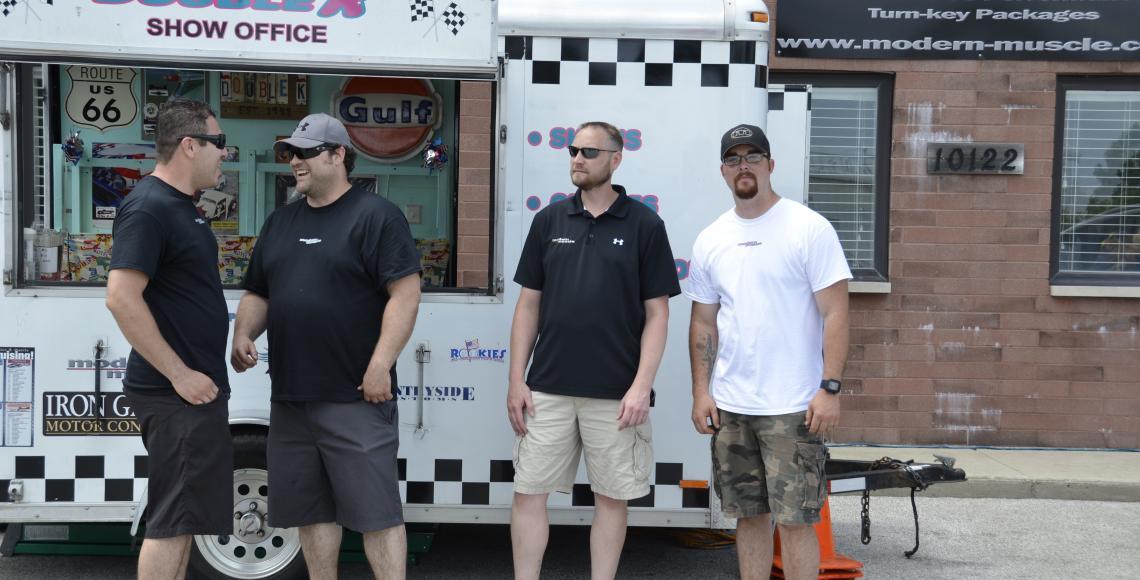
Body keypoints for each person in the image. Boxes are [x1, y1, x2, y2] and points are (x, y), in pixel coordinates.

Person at [230, 113, 422, 580]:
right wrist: (242, 333)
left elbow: (406, 293)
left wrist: (381, 365)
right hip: (291, 399)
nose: (294, 161)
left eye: (306, 152)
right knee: (312, 513)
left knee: (377, 515)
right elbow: (259, 292)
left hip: (356, 396)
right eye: (290, 153)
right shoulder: (280, 222)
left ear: (338, 155)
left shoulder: (377, 216)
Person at [507, 121, 681, 580]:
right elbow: (528, 306)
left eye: (588, 152)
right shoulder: (549, 220)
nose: (577, 159)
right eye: (573, 150)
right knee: (528, 493)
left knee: (611, 499)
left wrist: (641, 386)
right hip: (548, 388)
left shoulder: (645, 225)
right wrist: (516, 380)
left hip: (616, 394)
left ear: (616, 159)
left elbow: (658, 314)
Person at [687, 124, 852, 580]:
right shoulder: (712, 238)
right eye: (734, 158)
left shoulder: (808, 228)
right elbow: (703, 321)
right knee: (748, 517)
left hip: (793, 406)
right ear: (723, 171)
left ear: (770, 165)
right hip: (732, 406)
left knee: (796, 521)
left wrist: (830, 388)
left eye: (753, 156)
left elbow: (837, 312)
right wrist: (702, 392)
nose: (744, 166)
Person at [105, 98, 233, 580]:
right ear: (189, 145)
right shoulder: (150, 207)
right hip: (174, 393)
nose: (225, 152)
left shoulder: (181, 207)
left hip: (192, 393)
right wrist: (180, 375)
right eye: (219, 142)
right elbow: (121, 298)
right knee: (172, 521)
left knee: (185, 520)